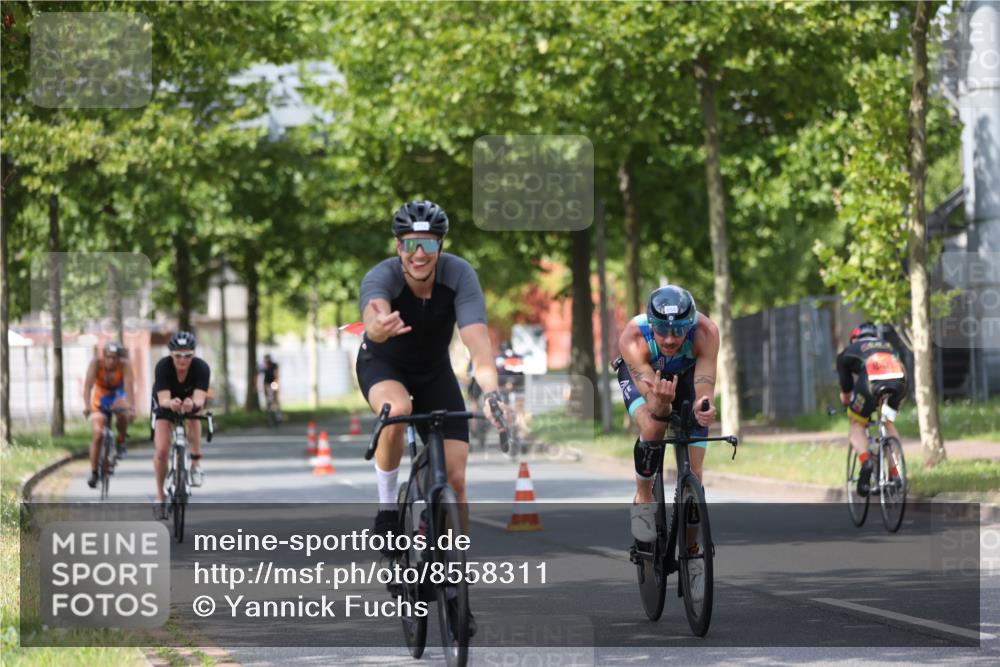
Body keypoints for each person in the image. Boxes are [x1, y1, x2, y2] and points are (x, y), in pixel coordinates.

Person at [358, 200, 504, 539]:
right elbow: (373, 315)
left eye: (428, 244)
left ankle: (450, 571)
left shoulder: (459, 274)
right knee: (397, 410)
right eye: (411, 244)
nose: (419, 254)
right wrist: (380, 325)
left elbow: (478, 343)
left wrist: (491, 392)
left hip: (434, 372)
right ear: (398, 246)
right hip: (383, 364)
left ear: (440, 245)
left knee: (456, 480)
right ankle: (388, 510)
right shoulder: (382, 275)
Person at [614, 286, 720, 543]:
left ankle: (692, 551)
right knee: (653, 426)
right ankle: (643, 499)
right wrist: (662, 404)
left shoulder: (706, 332)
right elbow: (654, 404)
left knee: (694, 471)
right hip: (646, 380)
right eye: (662, 330)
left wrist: (703, 406)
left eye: (679, 330)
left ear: (691, 323)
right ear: (651, 325)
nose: (670, 339)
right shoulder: (633, 336)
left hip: (685, 378)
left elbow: (704, 385)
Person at [836, 322, 907, 496]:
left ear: (855, 338)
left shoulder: (848, 351)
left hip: (869, 384)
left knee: (856, 426)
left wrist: (849, 406)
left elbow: (846, 391)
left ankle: (866, 462)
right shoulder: (888, 347)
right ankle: (895, 472)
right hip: (899, 384)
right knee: (888, 422)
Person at [151, 331, 211, 518]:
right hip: (166, 403)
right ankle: (160, 496)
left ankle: (195, 463)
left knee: (194, 416)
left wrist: (192, 404)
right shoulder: (163, 366)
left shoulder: (201, 368)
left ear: (194, 354)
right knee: (161, 451)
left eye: (187, 356)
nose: (182, 360)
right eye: (178, 356)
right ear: (171, 354)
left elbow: (200, 398)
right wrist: (172, 404)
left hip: (190, 403)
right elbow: (163, 399)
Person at [82, 341, 135, 488]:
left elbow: (130, 388)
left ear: (120, 358)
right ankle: (94, 472)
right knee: (98, 434)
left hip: (117, 396)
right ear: (103, 357)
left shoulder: (125, 365)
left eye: (115, 358)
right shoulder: (96, 364)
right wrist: (87, 406)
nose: (111, 361)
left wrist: (132, 408)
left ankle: (121, 440)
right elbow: (87, 387)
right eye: (109, 357)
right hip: (100, 398)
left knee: (123, 414)